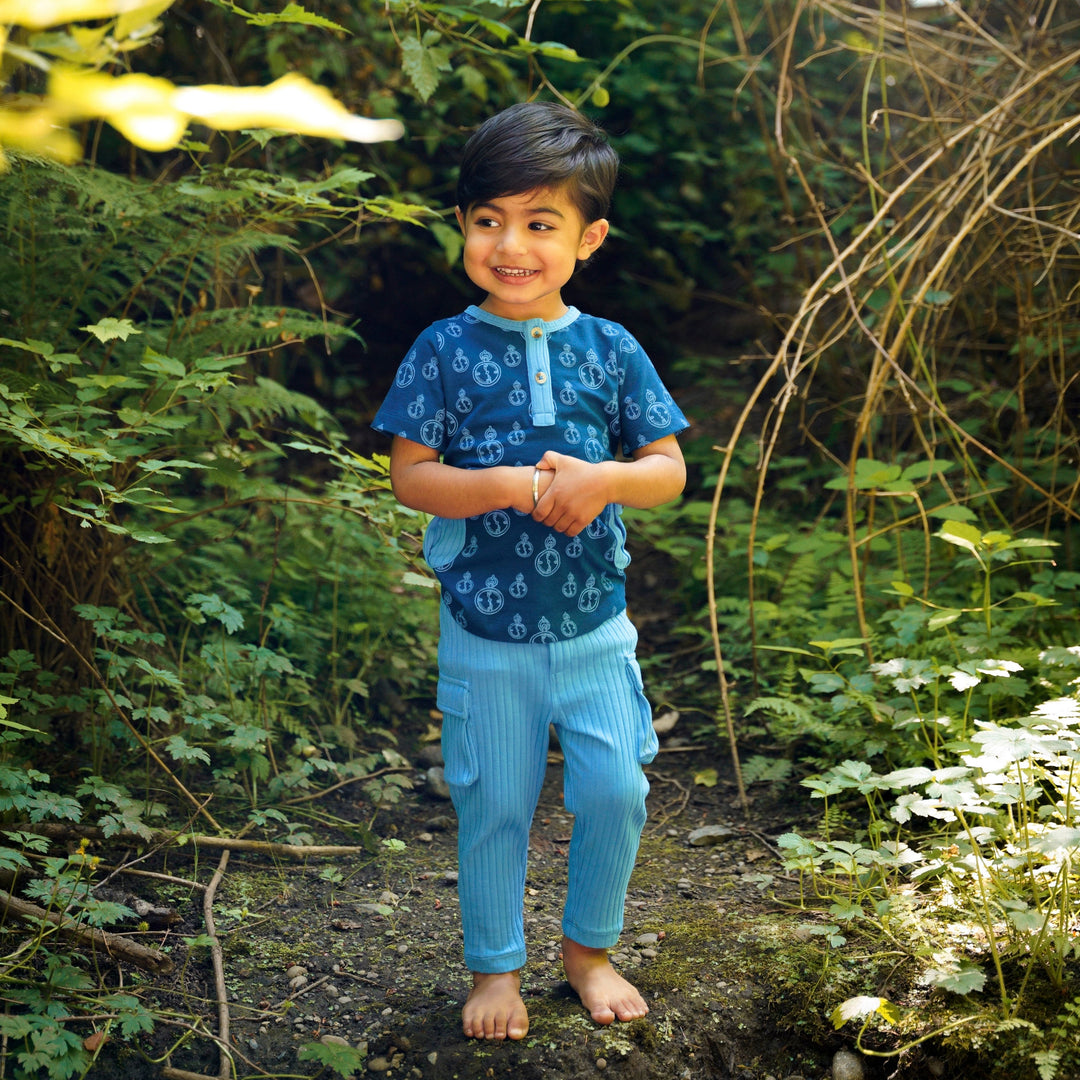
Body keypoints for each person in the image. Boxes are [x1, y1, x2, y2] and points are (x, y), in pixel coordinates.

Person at [372, 100, 689, 1042]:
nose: (511, 245)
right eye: (488, 221)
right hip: (484, 634)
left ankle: (588, 951)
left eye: (540, 224)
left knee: (616, 789)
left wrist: (603, 481)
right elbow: (411, 477)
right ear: (464, 226)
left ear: (588, 238)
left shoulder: (612, 349)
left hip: (595, 629)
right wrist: (505, 484)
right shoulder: (443, 349)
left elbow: (668, 471)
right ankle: (494, 969)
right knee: (494, 803)